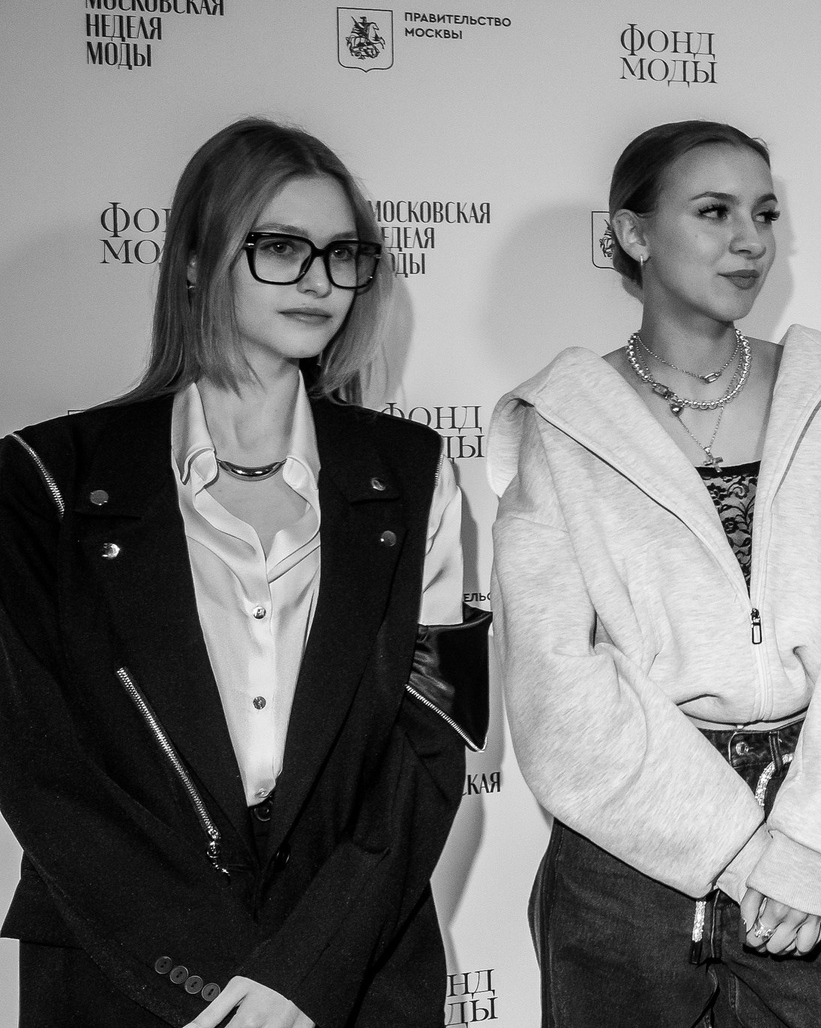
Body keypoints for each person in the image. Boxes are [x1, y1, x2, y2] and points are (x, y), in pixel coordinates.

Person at [0, 118, 487, 1028]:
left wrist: (303, 973)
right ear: (194, 259)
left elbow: (433, 743)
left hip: (353, 973)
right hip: (121, 973)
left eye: (343, 253)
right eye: (281, 247)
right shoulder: (44, 480)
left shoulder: (417, 475)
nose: (319, 281)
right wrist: (214, 973)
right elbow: (39, 763)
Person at [490, 119, 821, 1027]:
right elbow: (554, 679)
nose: (750, 241)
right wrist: (741, 851)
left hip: (810, 823)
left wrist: (814, 844)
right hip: (630, 851)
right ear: (634, 233)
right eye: (715, 212)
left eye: (764, 214)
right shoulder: (562, 419)